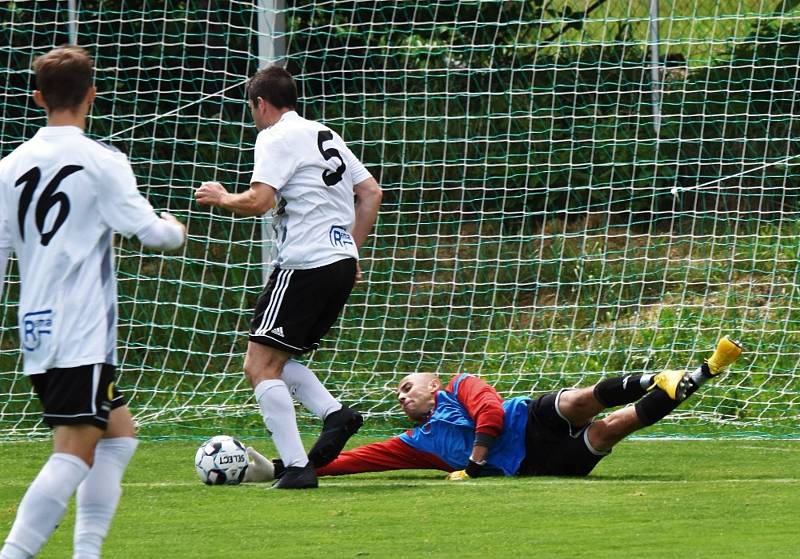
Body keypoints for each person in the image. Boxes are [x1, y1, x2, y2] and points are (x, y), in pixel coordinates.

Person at [0, 45, 186, 558]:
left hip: (36, 328)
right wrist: (175, 228)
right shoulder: (102, 160)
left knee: (119, 435)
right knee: (74, 454)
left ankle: (87, 554)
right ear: (92, 96)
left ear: (37, 98)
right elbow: (150, 232)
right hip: (79, 328)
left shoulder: (9, 166)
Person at [194, 66, 382, 489]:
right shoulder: (324, 133)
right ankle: (336, 415)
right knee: (278, 359)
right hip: (336, 263)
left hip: (304, 264)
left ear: (261, 104)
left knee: (258, 364)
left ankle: (298, 468)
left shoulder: (275, 136)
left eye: (252, 109)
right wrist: (351, 249)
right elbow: (371, 193)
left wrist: (222, 197)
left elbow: (260, 201)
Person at [244, 336, 742, 482]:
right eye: (397, 396)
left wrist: (476, 463)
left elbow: (493, 416)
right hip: (536, 463)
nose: (402, 395)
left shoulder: (462, 384)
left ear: (433, 382)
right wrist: (290, 465)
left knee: (577, 400)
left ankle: (655, 378)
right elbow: (357, 460)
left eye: (406, 385)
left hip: (531, 420)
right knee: (614, 428)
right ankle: (701, 373)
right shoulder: (416, 443)